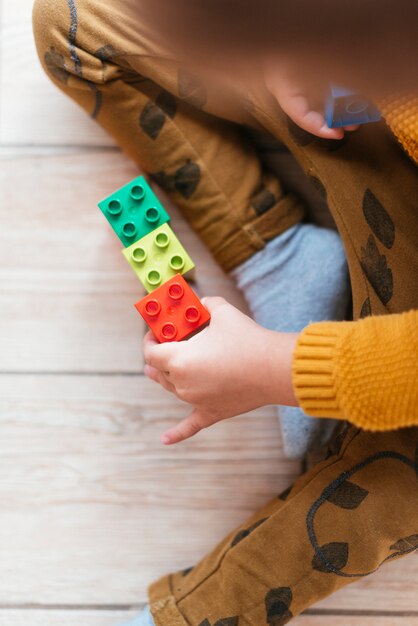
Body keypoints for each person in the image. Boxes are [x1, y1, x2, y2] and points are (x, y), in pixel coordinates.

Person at [32, 1, 418, 624]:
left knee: (386, 495)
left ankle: (188, 617)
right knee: (73, 26)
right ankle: (278, 251)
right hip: (383, 130)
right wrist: (319, 51)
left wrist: (277, 368)